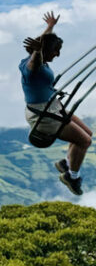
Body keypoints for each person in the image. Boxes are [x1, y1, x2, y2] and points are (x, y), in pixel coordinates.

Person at [20, 11, 92, 195]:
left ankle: (66, 163)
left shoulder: (40, 61)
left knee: (88, 133)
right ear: (44, 52)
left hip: (51, 107)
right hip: (43, 116)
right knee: (84, 141)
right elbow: (35, 61)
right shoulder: (32, 68)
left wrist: (50, 26)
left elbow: (42, 46)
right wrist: (37, 50)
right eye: (55, 51)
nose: (58, 55)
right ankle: (72, 177)